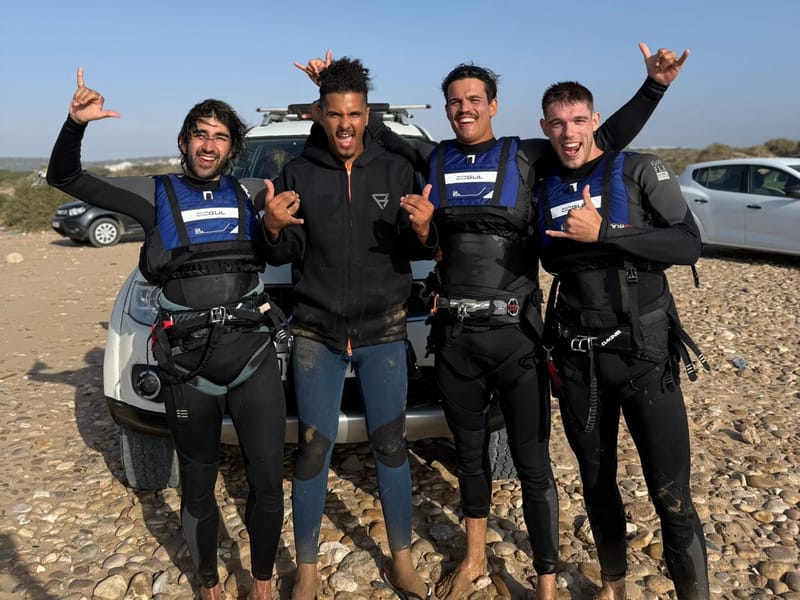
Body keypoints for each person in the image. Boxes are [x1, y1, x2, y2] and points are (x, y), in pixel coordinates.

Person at [295, 44, 687, 600]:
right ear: (446, 110)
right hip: (455, 334)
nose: (464, 110)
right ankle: (474, 557)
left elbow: (602, 141)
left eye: (474, 100)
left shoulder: (527, 155)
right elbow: (362, 128)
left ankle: (547, 581)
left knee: (532, 464)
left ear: (494, 106)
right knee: (470, 458)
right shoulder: (430, 160)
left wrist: (653, 87)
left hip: (516, 336)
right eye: (454, 102)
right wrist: (328, 87)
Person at [47, 68, 294, 600]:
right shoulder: (155, 196)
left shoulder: (252, 195)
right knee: (199, 481)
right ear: (184, 143)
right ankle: (207, 582)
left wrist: (273, 226)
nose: (209, 145)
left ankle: (264, 582)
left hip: (251, 353)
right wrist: (75, 124)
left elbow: (278, 252)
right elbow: (65, 177)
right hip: (188, 364)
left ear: (233, 149)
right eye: (200, 134)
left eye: (220, 136)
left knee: (268, 478)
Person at [261, 57, 438, 600]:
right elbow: (287, 252)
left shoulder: (396, 169)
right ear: (319, 114)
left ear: (367, 115)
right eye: (334, 113)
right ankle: (309, 568)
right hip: (316, 332)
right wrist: (271, 228)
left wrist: (425, 231)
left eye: (354, 114)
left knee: (390, 445)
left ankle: (401, 558)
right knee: (312, 449)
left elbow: (416, 250)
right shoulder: (297, 172)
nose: (344, 124)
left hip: (383, 330)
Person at [534, 80, 710, 599]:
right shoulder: (542, 178)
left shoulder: (639, 169)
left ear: (595, 120)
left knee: (670, 492)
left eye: (579, 120)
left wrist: (607, 232)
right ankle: (614, 585)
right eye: (558, 123)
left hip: (644, 355)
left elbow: (688, 243)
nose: (570, 133)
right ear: (546, 129)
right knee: (595, 480)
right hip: (577, 359)